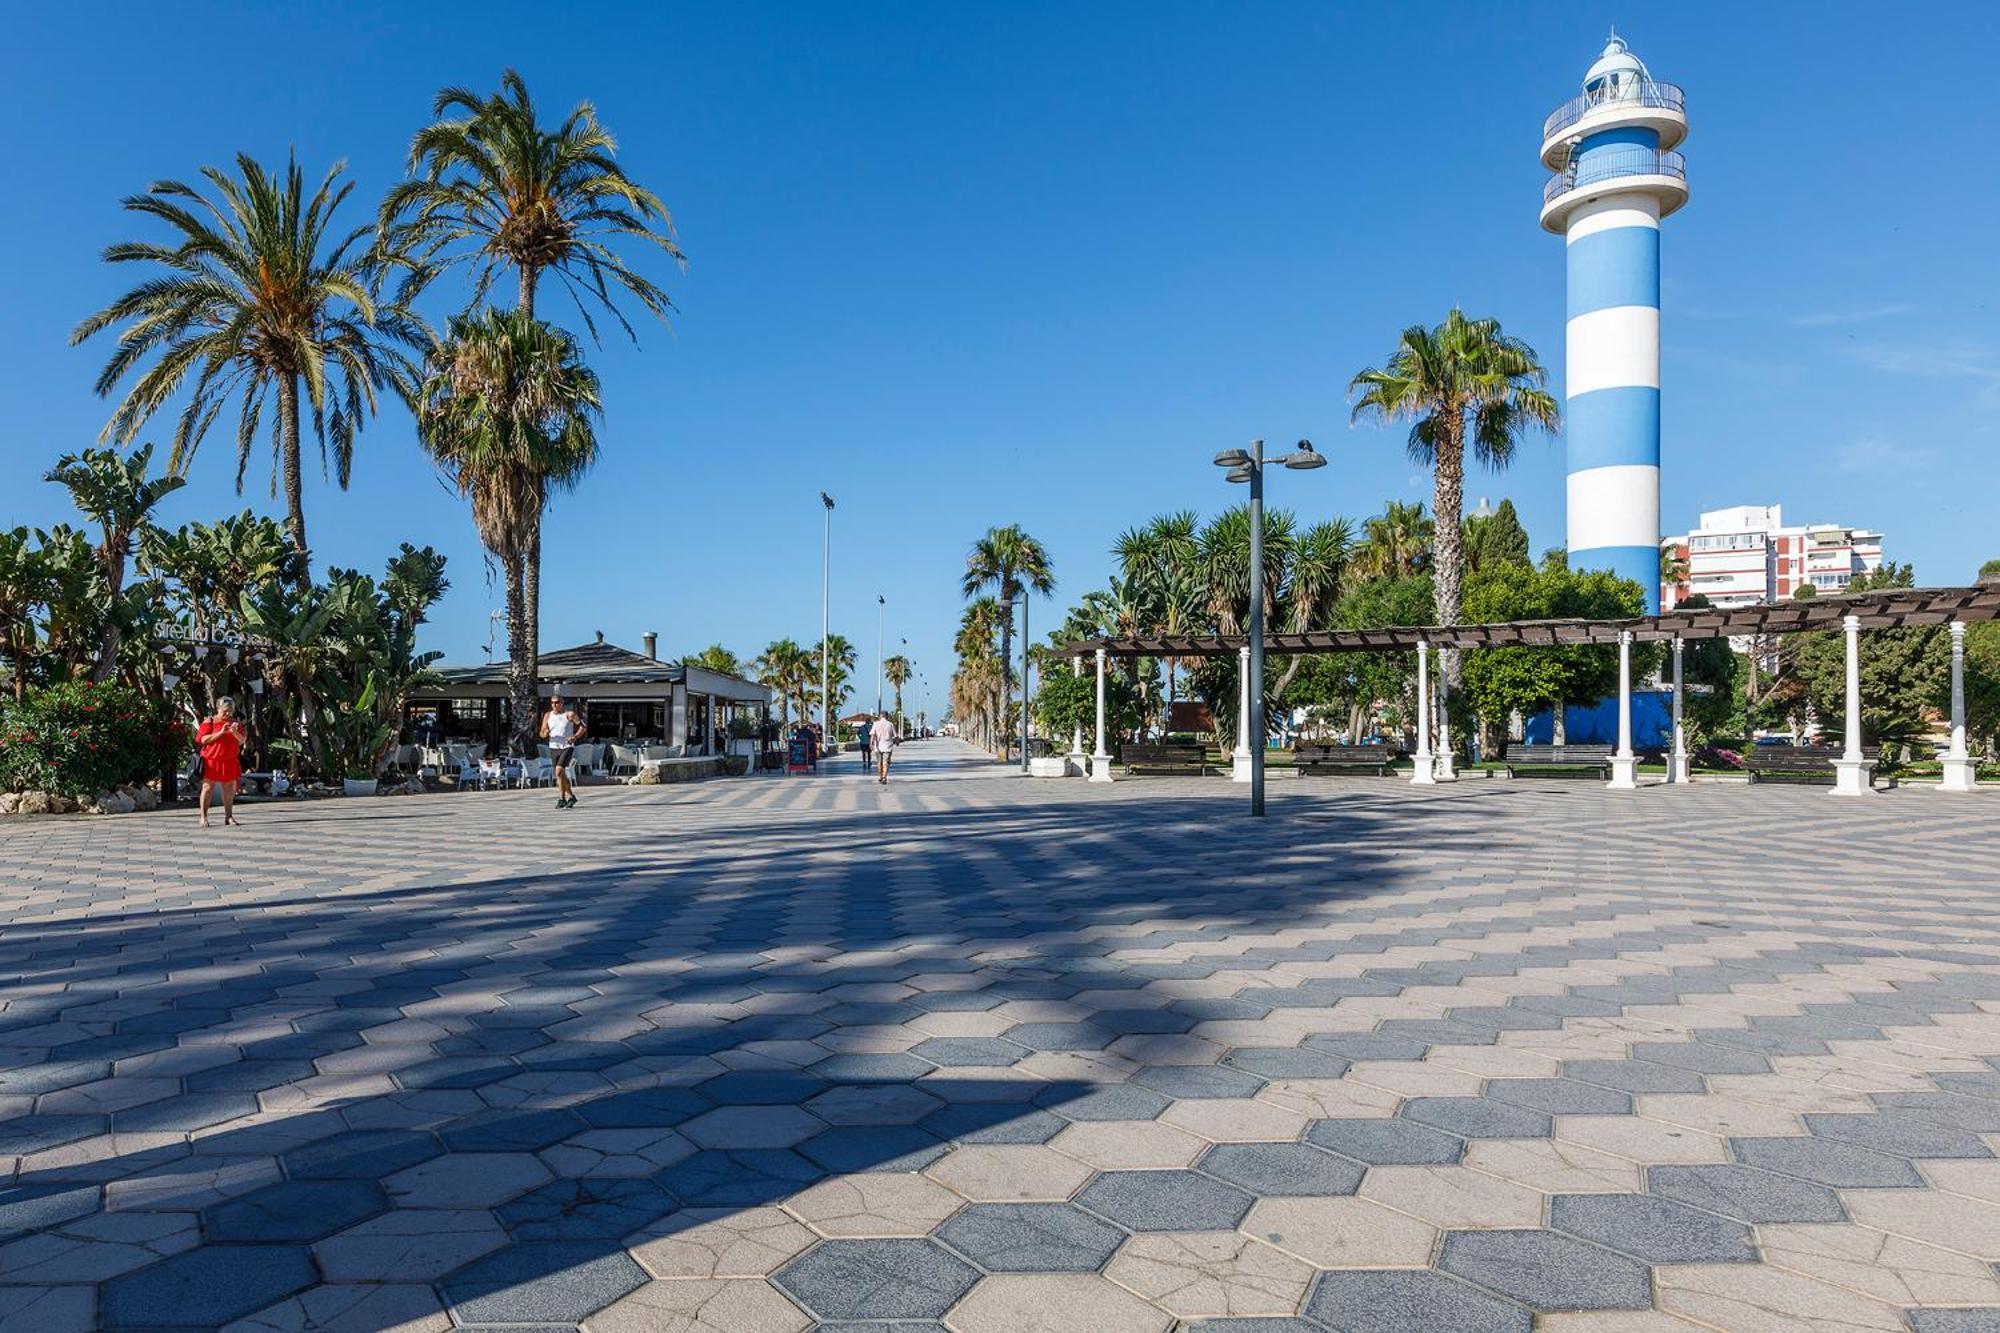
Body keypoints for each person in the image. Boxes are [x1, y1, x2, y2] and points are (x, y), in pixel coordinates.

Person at [196, 696, 247, 828]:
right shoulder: (210, 722)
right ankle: (203, 817)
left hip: (229, 760)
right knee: (207, 788)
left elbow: (242, 741)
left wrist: (234, 732)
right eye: (225, 710)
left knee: (229, 790)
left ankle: (229, 816)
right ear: (218, 709)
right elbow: (203, 739)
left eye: (230, 710)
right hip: (212, 760)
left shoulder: (236, 723)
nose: (228, 713)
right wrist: (221, 732)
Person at [541, 692, 584, 809]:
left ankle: (564, 797)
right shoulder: (547, 715)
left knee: (559, 771)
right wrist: (545, 733)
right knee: (559, 775)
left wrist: (574, 737)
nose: (554, 705)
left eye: (556, 703)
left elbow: (583, 726)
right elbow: (542, 732)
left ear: (562, 703)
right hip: (553, 746)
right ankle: (565, 798)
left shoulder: (569, 714)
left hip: (567, 746)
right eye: (552, 703)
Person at [870, 712, 898, 784]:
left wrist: (871, 744)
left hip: (878, 747)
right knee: (886, 763)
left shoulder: (876, 724)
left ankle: (880, 777)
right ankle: (884, 777)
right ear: (887, 716)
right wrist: (897, 742)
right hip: (888, 746)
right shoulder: (890, 724)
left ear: (880, 716)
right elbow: (895, 736)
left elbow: (872, 735)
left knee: (879, 763)